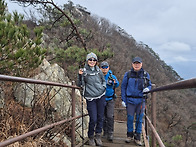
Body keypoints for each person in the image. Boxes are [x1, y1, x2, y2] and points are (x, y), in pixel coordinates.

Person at [77, 52, 106, 146]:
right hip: (90, 98)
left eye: (94, 60)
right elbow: (80, 84)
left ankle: (98, 135)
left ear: (96, 61)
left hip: (101, 95)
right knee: (93, 118)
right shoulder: (84, 71)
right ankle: (91, 136)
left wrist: (103, 87)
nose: (92, 61)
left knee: (100, 117)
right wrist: (80, 75)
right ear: (87, 61)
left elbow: (103, 80)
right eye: (90, 59)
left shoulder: (99, 70)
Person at [121, 56, 152, 146]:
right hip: (130, 100)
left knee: (139, 119)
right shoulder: (128, 74)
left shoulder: (145, 75)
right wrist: (123, 99)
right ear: (132, 64)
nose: (137, 65)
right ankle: (129, 135)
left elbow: (149, 85)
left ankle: (137, 137)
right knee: (130, 118)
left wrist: (147, 88)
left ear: (141, 64)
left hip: (141, 100)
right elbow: (123, 87)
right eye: (135, 63)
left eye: (138, 63)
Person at [100, 61, 119, 142]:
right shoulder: (98, 76)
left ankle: (110, 133)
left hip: (110, 99)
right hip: (101, 98)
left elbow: (117, 84)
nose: (104, 69)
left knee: (110, 116)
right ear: (100, 68)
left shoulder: (112, 76)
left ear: (108, 68)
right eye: (103, 67)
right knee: (102, 117)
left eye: (106, 67)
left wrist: (115, 82)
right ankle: (105, 131)